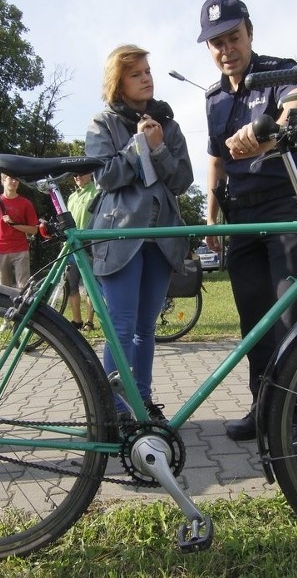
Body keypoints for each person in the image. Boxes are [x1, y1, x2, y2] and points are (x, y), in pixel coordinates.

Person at [198, 0, 297, 451]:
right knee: (254, 319)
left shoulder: (277, 72)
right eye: (216, 43)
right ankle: (263, 406)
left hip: (284, 206)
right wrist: (211, 215)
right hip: (240, 217)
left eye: (233, 37)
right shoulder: (212, 99)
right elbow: (214, 157)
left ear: (249, 32)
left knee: (290, 313)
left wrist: (266, 132)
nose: (226, 49)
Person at [85, 44, 193, 422]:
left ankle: (142, 402)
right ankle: (115, 409)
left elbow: (182, 180)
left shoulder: (169, 123)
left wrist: (159, 147)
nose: (146, 78)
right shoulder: (104, 124)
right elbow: (105, 176)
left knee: (147, 327)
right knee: (121, 325)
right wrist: (137, 147)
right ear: (119, 81)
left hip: (161, 239)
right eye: (136, 73)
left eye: (148, 70)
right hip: (120, 237)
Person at [0, 174, 39, 289]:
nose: (14, 181)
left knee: (24, 288)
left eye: (17, 179)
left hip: (21, 250)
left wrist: (13, 224)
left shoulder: (26, 203)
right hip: (0, 251)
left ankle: (24, 307)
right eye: (11, 178)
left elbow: (34, 230)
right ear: (3, 180)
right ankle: (7, 308)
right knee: (4, 289)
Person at [66, 172, 99, 331]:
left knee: (90, 286)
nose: (77, 176)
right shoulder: (71, 197)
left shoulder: (97, 193)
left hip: (88, 246)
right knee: (72, 286)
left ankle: (89, 321)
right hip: (72, 247)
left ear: (90, 175)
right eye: (74, 175)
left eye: (80, 174)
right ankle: (77, 320)